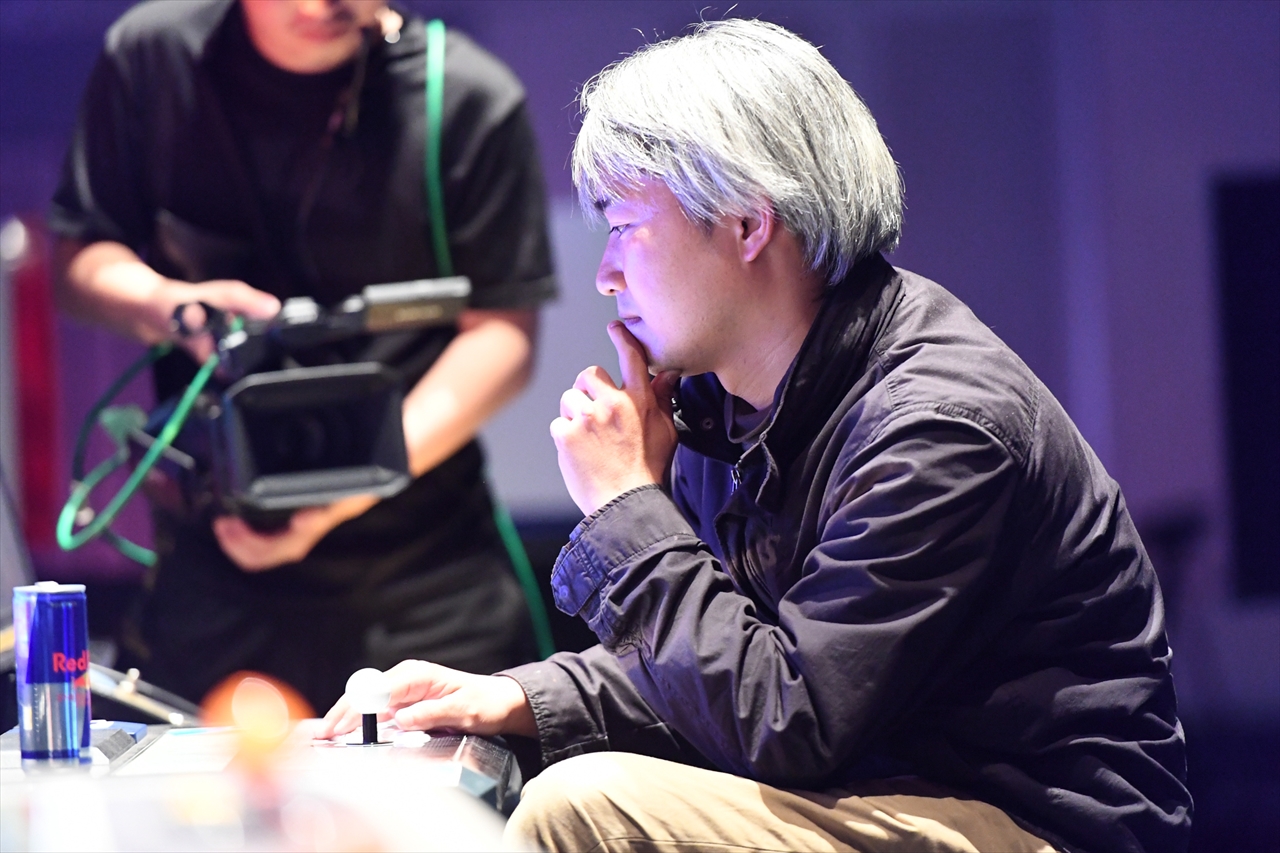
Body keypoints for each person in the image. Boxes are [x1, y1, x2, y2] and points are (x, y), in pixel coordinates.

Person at [318, 19, 1192, 853]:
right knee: (519, 770)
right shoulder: (725, 402)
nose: (606, 273)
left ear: (745, 223)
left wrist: (625, 501)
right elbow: (718, 667)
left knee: (582, 808)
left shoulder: (937, 426)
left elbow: (787, 720)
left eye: (623, 228)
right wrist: (509, 694)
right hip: (884, 787)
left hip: (1034, 825)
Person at [49, 0, 557, 713]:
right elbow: (80, 260)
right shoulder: (152, 57)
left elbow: (503, 334)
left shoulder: (467, 96)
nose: (324, 5)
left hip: (422, 567)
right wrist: (173, 305)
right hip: (213, 564)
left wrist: (349, 488)